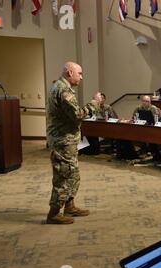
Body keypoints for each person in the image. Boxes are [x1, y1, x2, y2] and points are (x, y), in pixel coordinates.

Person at [45, 62, 99, 224]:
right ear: (70, 73)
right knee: (63, 175)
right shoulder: (63, 91)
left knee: (72, 173)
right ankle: (54, 213)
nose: (81, 77)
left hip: (67, 139)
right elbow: (77, 115)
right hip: (63, 140)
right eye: (79, 73)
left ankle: (69, 206)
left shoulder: (61, 87)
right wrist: (94, 103)